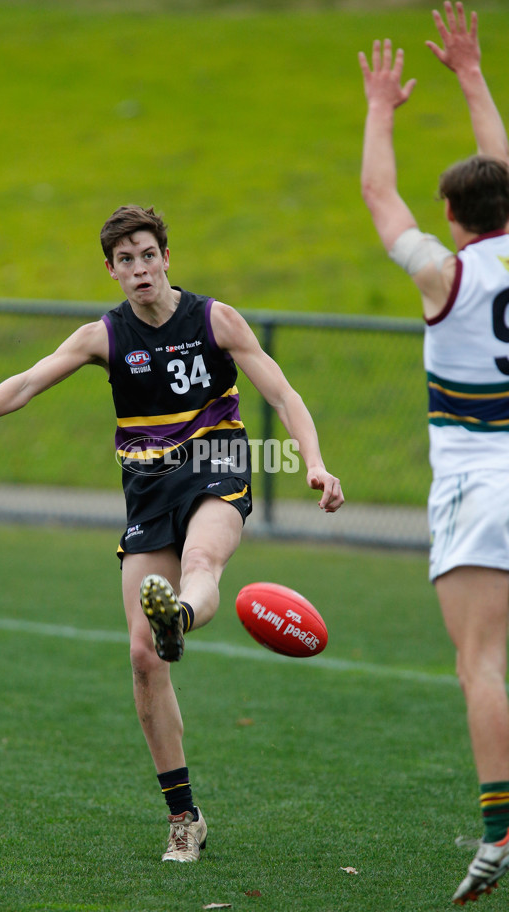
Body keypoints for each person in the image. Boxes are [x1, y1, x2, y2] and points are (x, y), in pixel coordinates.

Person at [0, 204, 344, 863]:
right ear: (113, 271)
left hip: (216, 466)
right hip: (148, 488)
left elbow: (283, 393)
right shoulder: (105, 336)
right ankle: (185, 816)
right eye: (126, 260)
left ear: (166, 258)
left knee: (203, 558)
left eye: (148, 254)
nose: (140, 268)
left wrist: (313, 462)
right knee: (143, 659)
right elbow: (29, 381)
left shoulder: (213, 319)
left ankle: (178, 614)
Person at [359, 2, 509, 904]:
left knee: (480, 662)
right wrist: (471, 74)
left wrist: (381, 106)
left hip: (478, 481)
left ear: (450, 214)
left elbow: (381, 199)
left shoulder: (441, 275)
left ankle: (498, 829)